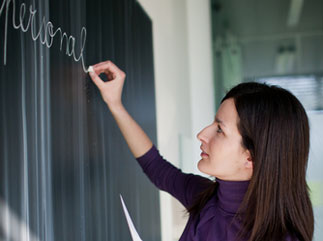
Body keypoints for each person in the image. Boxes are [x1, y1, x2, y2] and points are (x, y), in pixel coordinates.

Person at [88, 60, 314, 241]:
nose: (202, 134)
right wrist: (115, 105)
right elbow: (155, 167)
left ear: (251, 157)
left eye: (219, 130)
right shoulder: (206, 198)